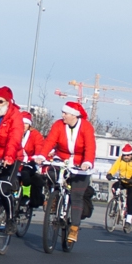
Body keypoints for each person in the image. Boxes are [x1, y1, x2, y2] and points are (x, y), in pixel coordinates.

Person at [40, 101, 97, 246]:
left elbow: (90, 146)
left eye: (65, 113)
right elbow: (50, 141)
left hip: (80, 163)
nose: (62, 115)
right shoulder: (58, 125)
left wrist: (87, 162)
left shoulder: (86, 127)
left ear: (74, 115)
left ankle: (74, 228)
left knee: (76, 196)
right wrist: (41, 155)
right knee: (51, 173)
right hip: (62, 158)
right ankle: (55, 198)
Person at [107, 143, 132, 226]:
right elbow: (115, 167)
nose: (126, 157)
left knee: (129, 200)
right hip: (123, 181)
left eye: (128, 155)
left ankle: (128, 220)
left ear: (131, 154)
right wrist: (110, 174)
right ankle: (117, 202)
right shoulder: (120, 159)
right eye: (124, 155)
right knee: (114, 188)